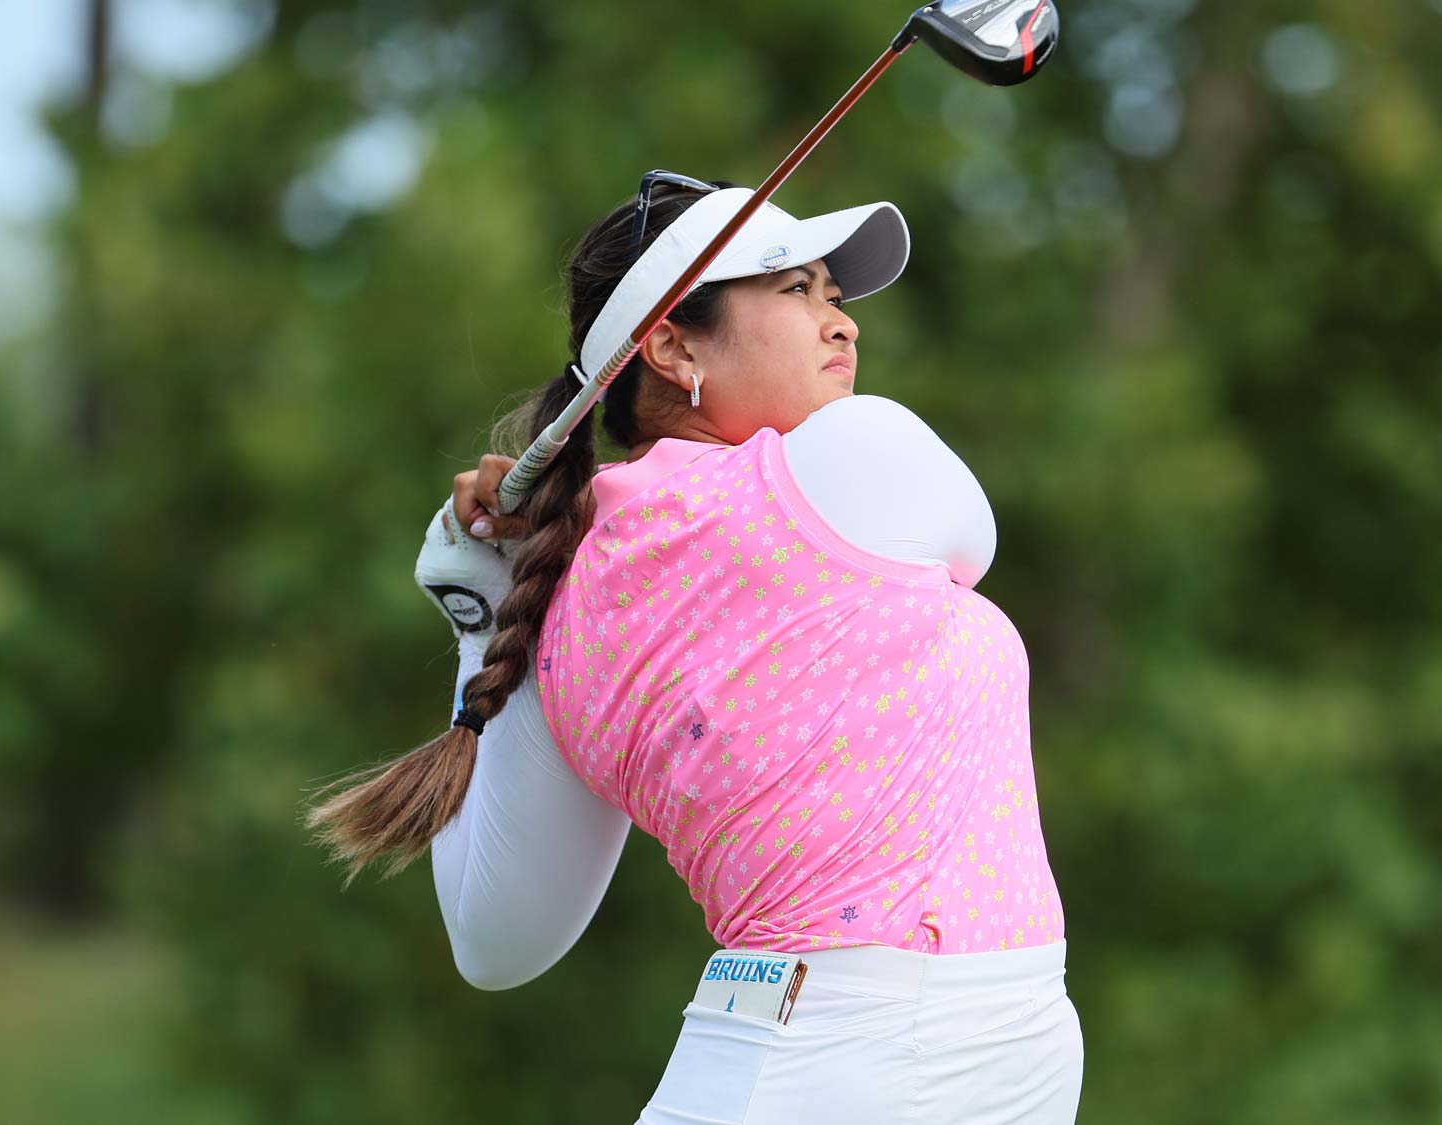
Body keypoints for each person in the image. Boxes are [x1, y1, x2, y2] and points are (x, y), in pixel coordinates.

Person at [305, 175, 1082, 1124]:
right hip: (877, 1049)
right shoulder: (864, 454)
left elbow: (496, 939)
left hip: (790, 1055)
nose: (843, 325)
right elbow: (971, 536)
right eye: (796, 291)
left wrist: (486, 620)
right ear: (671, 343)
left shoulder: (567, 601)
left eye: (835, 297)